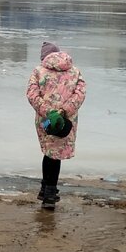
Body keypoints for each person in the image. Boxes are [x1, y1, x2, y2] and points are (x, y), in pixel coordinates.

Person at [26, 40, 86, 207]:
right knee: (54, 154)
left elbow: (32, 94)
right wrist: (64, 111)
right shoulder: (75, 72)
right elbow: (80, 95)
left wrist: (48, 112)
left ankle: (48, 192)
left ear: (44, 58)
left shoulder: (38, 71)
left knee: (49, 152)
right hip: (66, 120)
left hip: (45, 120)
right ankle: (48, 189)